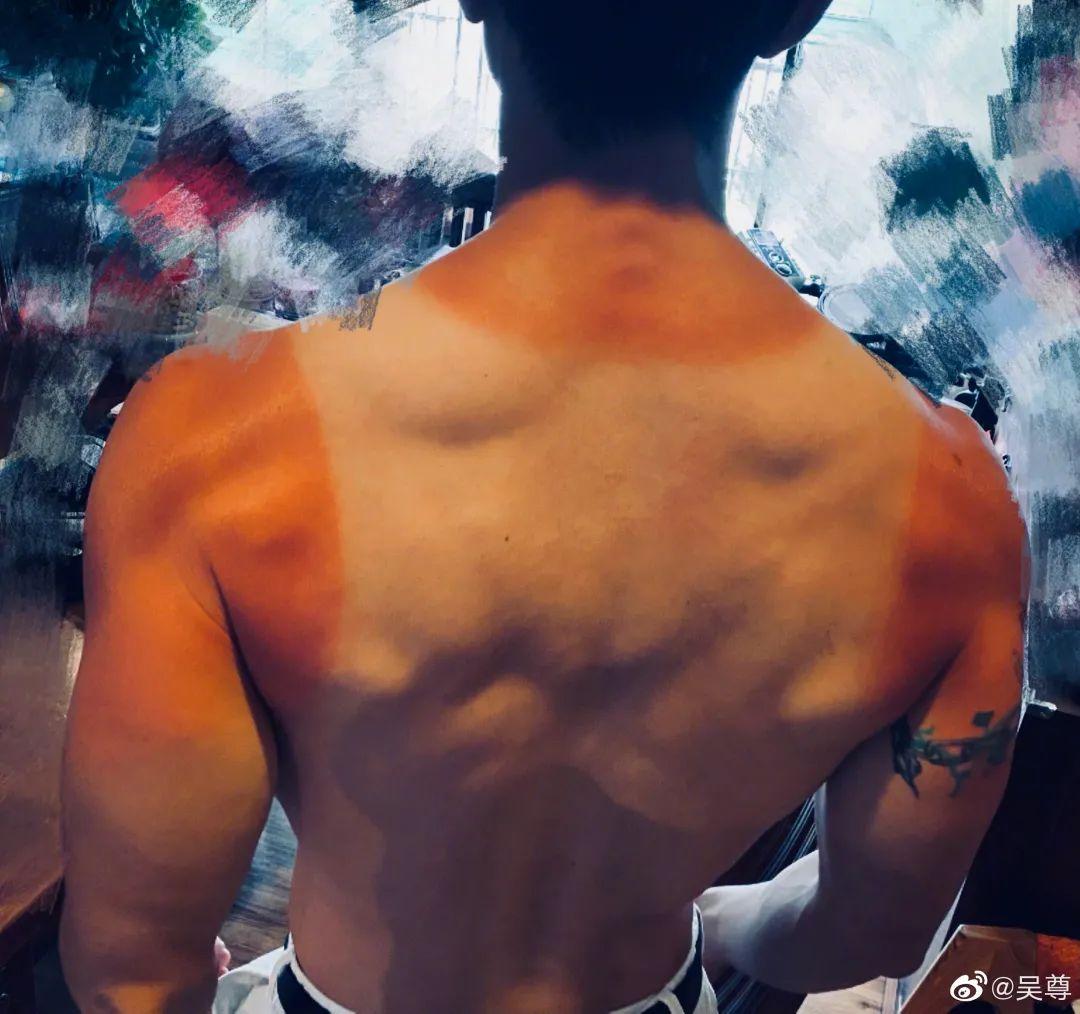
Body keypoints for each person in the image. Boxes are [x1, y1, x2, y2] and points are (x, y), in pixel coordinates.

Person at [59, 1, 1030, 1011]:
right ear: (797, 12)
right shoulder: (954, 504)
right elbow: (871, 926)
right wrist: (719, 920)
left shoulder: (213, 435)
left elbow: (133, 973)